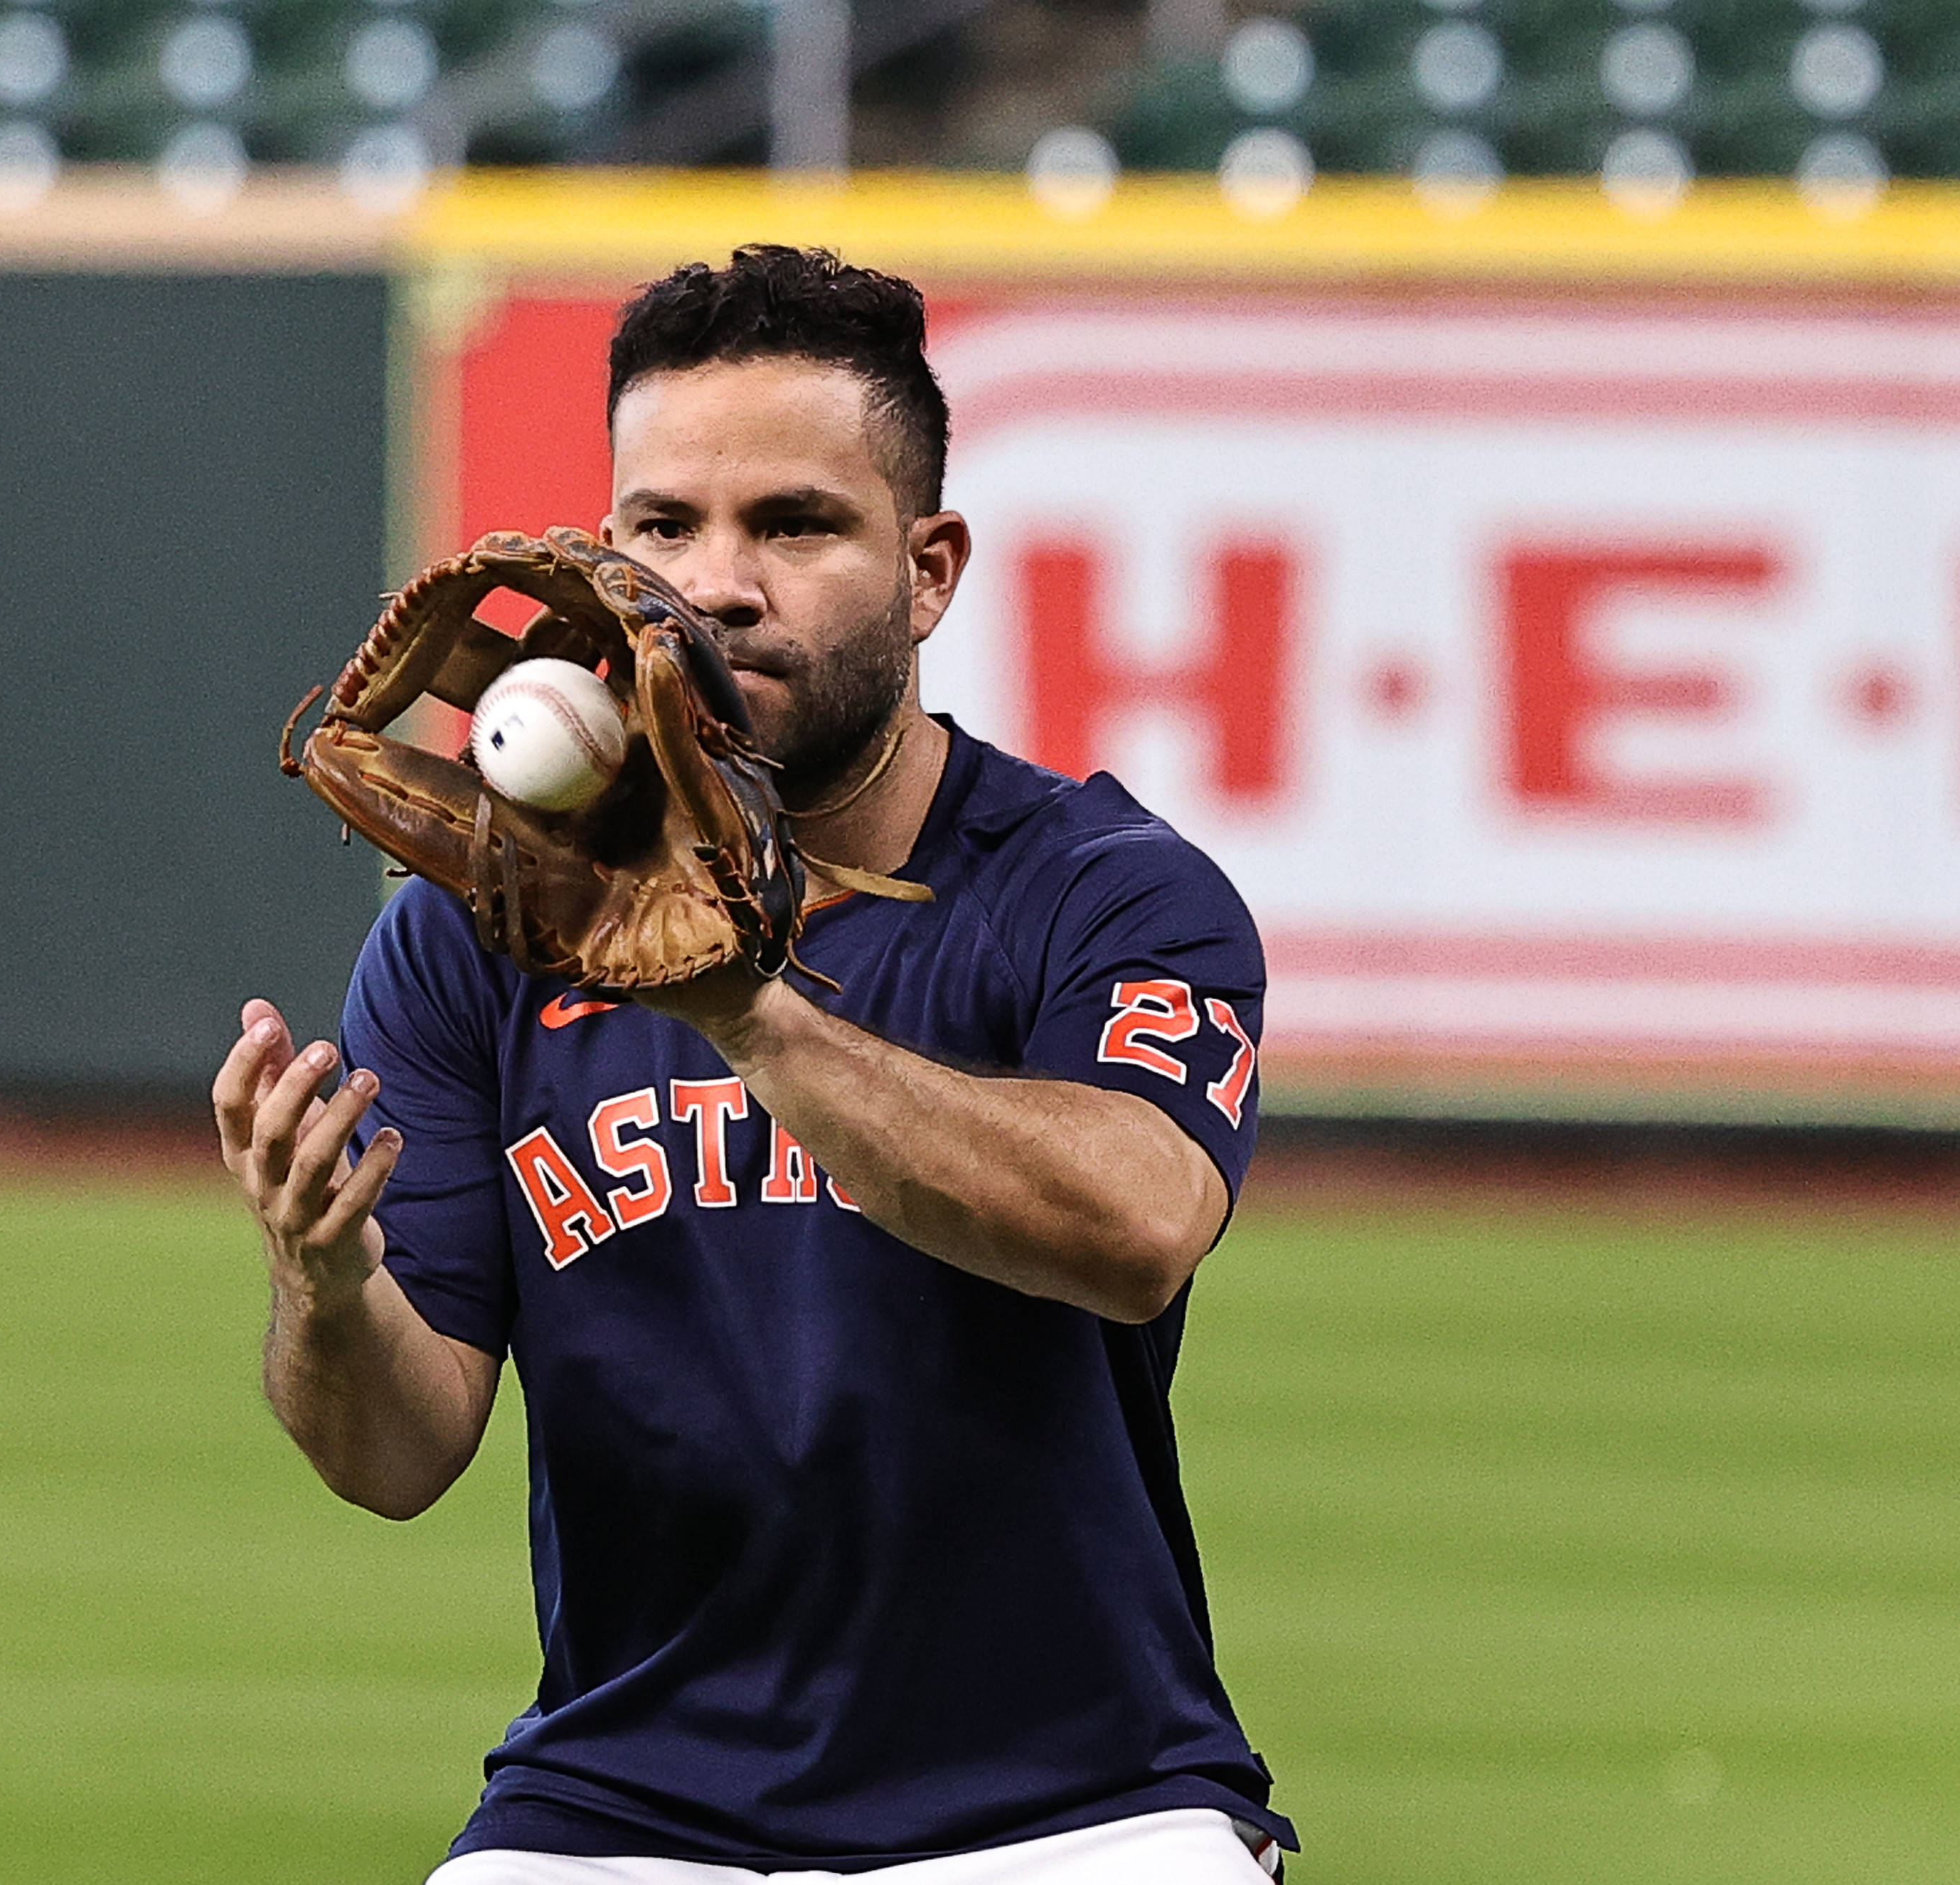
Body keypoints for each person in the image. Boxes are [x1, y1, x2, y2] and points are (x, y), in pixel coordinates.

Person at [213, 245, 1291, 1882]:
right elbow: (391, 1455)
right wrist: (326, 1284)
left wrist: (744, 1006)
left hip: (1073, 1804)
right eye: (660, 525)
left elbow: (1135, 1228)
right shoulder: (480, 929)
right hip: (620, 1802)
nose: (712, 584)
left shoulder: (1104, 892)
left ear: (927, 571)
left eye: (792, 523)